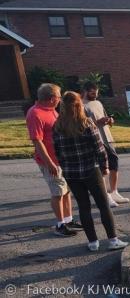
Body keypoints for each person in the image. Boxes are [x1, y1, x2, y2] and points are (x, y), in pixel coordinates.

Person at [53, 92, 128, 252]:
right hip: (91, 169)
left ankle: (93, 242)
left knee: (83, 206)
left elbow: (57, 152)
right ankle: (113, 240)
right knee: (103, 205)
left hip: (71, 172)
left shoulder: (58, 126)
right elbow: (99, 148)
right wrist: (105, 166)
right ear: (79, 106)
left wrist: (65, 167)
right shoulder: (86, 123)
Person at [26, 83, 81, 237]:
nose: (59, 100)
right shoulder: (35, 113)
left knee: (65, 191)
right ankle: (60, 224)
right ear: (51, 98)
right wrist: (49, 163)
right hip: (50, 161)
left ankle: (68, 220)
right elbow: (37, 141)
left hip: (61, 159)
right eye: (58, 97)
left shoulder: (51, 111)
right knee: (57, 192)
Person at [82, 81, 129, 208]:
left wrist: (109, 120)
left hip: (107, 137)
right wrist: (98, 122)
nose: (95, 96)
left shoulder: (98, 103)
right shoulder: (81, 105)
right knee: (103, 167)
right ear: (85, 91)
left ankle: (114, 192)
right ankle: (105, 195)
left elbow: (105, 117)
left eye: (96, 93)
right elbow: (84, 125)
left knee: (114, 162)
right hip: (96, 140)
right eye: (92, 93)